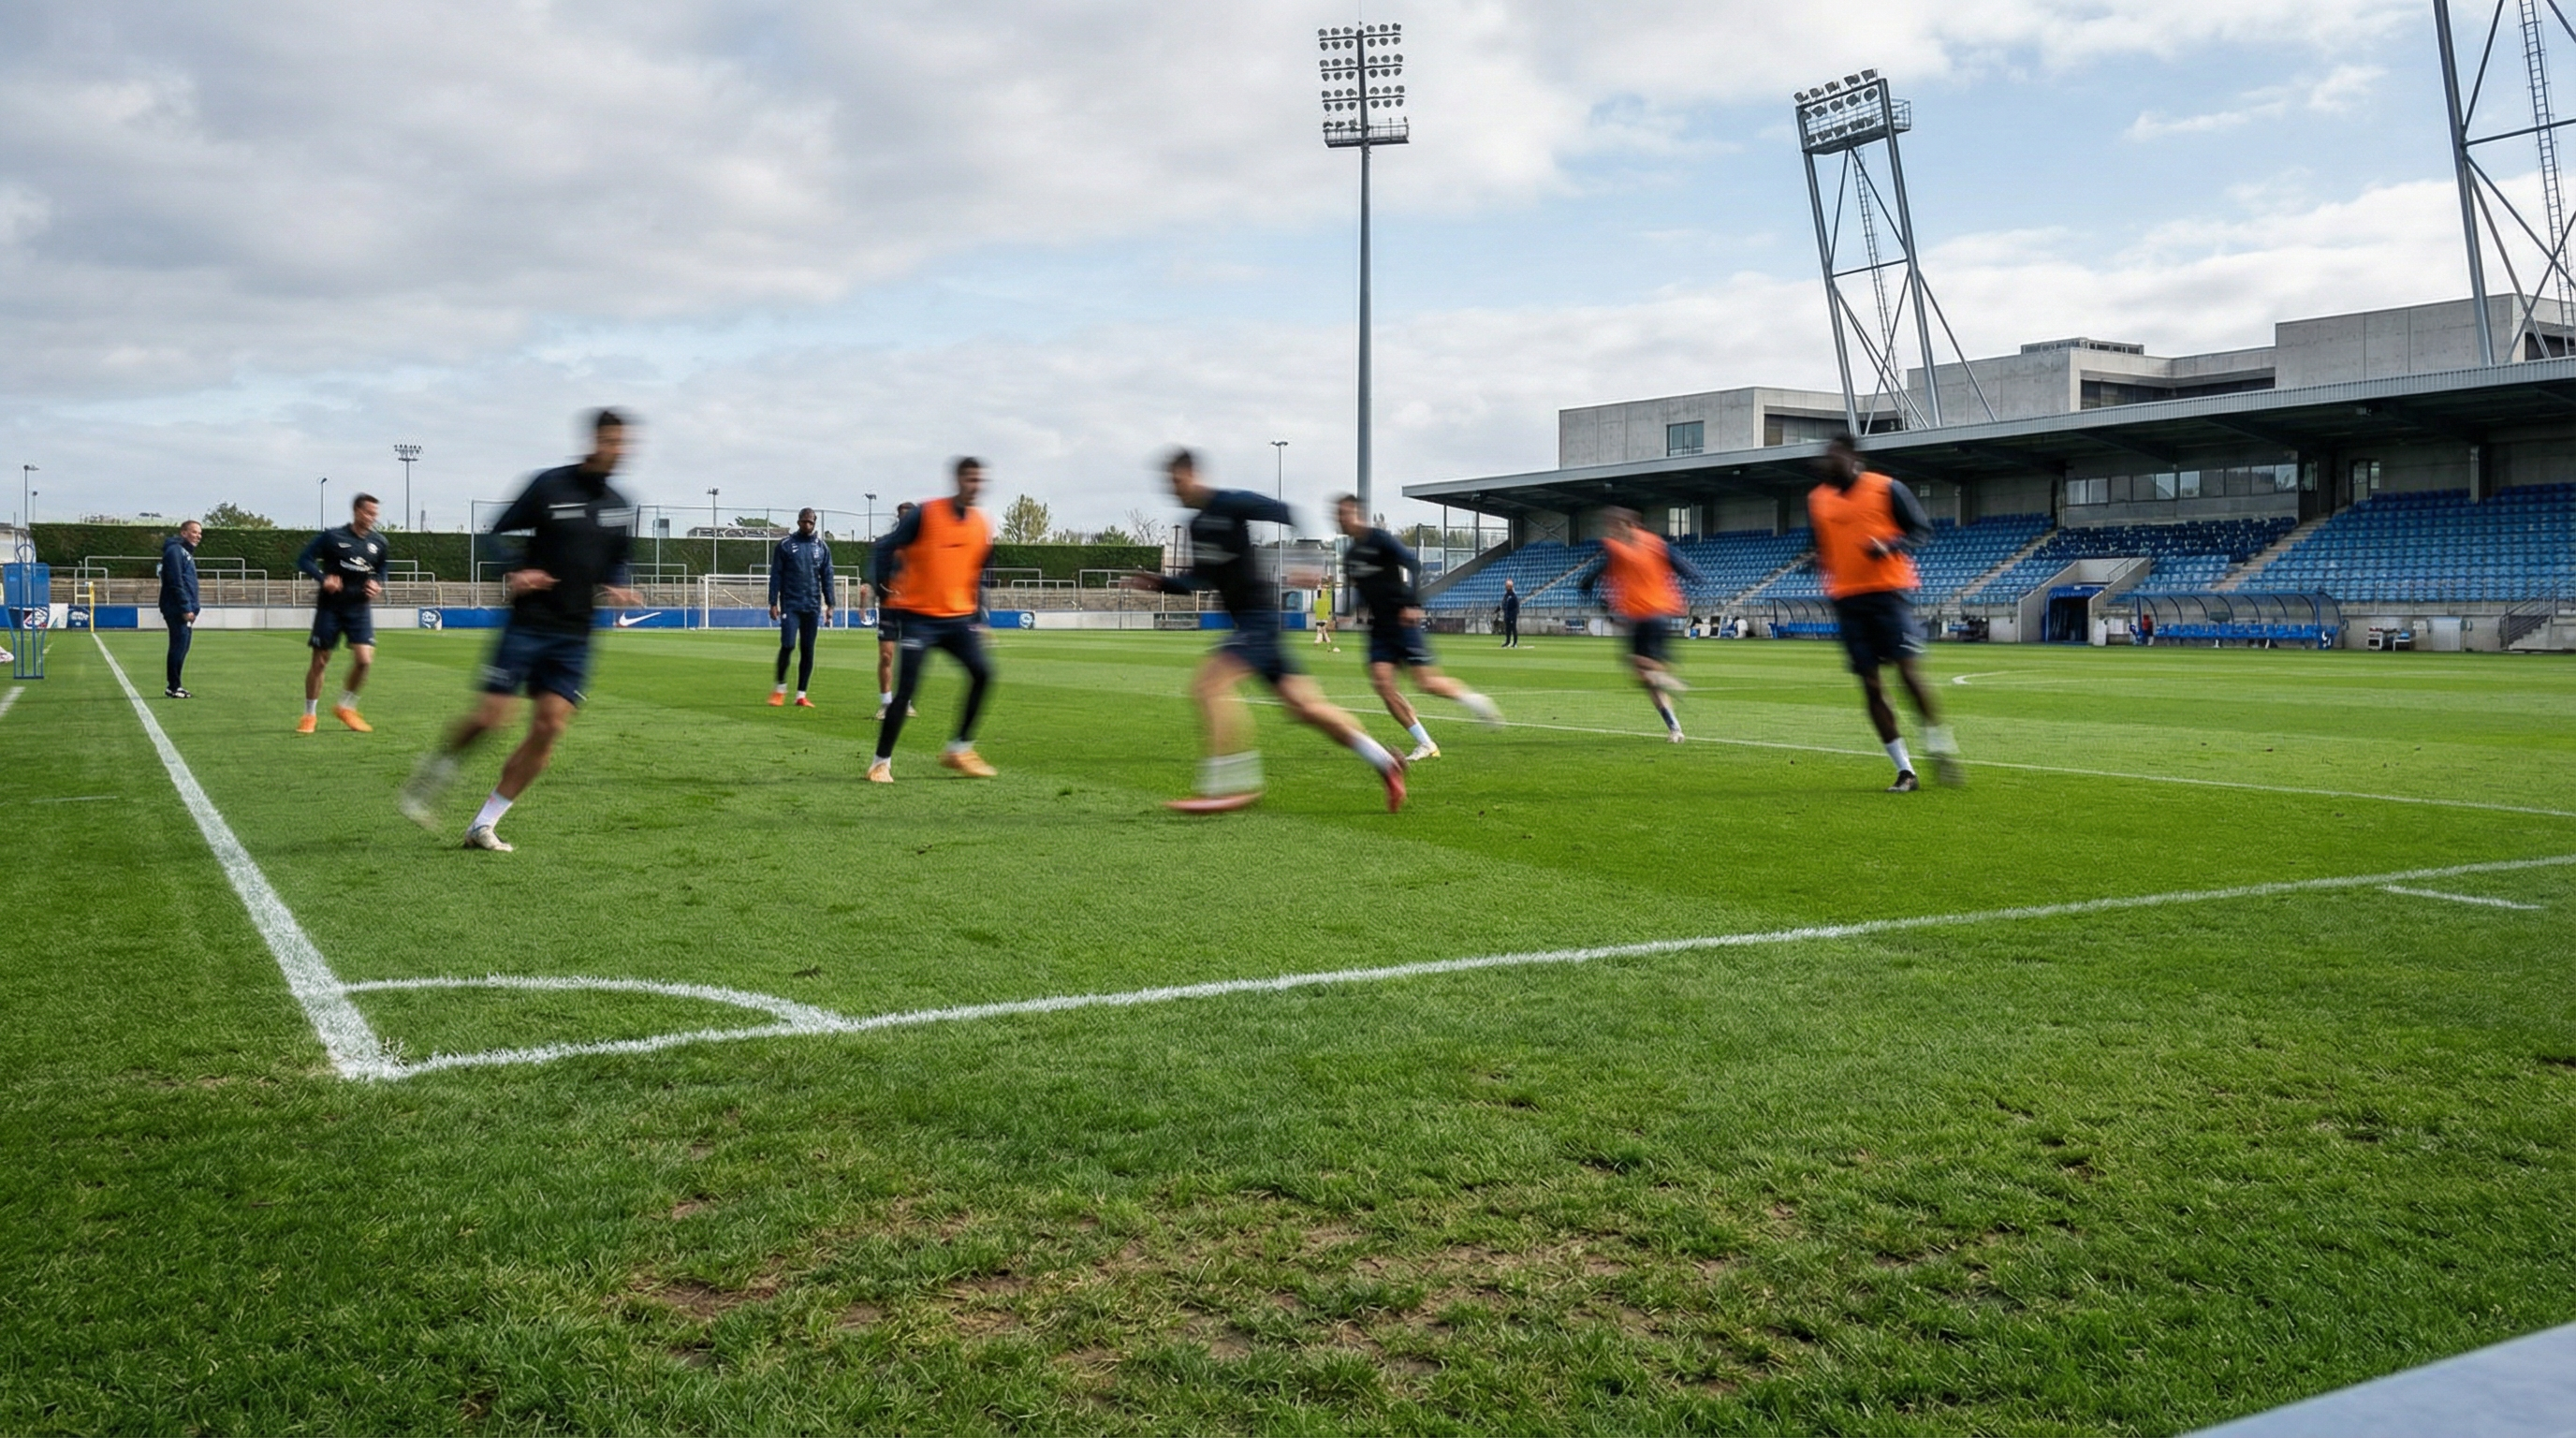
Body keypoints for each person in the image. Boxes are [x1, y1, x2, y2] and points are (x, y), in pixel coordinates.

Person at [398, 408, 645, 851]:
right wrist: (517, 569)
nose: (618, 451)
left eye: (624, 444)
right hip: (530, 624)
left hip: (576, 633)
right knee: (493, 718)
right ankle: (432, 775)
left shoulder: (620, 506)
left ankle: (483, 824)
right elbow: (494, 532)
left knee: (550, 728)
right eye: (611, 442)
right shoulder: (549, 485)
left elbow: (620, 558)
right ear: (594, 441)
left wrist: (619, 583)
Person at [1120, 448, 1406, 813]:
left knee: (1208, 687)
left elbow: (1286, 512)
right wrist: (1160, 582)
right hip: (1254, 624)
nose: (1171, 488)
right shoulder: (1196, 526)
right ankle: (1386, 763)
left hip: (1259, 619)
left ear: (1191, 475)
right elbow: (1200, 578)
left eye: (1175, 480)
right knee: (1308, 708)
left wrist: (1307, 562)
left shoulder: (1231, 503)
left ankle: (1228, 785)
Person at [1809, 433, 1961, 791]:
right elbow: (1820, 543)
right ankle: (1905, 770)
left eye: (1833, 458)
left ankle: (1939, 745)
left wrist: (1890, 544)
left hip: (1888, 594)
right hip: (1847, 601)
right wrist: (1819, 559)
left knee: (1908, 674)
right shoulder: (1817, 499)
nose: (1826, 465)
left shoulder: (1886, 488)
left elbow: (1921, 530)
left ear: (1852, 457)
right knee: (1871, 685)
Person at [1335, 494, 1501, 761]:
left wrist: (1412, 603)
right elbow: (1360, 589)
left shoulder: (1380, 539)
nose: (1340, 519)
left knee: (1427, 683)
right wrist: (1345, 613)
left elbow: (1412, 563)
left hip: (1402, 621)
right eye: (1338, 514)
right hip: (1380, 628)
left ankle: (1476, 701)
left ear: (1359, 515)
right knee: (1383, 685)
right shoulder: (1351, 554)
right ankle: (1426, 743)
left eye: (1345, 513)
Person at [868, 461, 998, 783]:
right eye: (970, 479)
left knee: (984, 673)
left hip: (957, 619)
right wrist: (884, 585)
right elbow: (885, 546)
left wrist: (979, 617)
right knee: (908, 691)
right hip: (919, 617)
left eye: (980, 480)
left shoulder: (981, 525)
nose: (976, 485)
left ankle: (959, 749)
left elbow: (978, 573)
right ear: (958, 480)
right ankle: (879, 763)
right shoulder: (925, 514)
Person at [1572, 508, 1705, 743]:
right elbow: (1684, 567)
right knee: (1647, 679)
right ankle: (1675, 728)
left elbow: (1588, 579)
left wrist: (1594, 595)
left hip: (1640, 615)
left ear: (1624, 525)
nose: (1610, 530)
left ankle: (1665, 678)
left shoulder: (1616, 549)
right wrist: (1693, 579)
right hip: (1662, 614)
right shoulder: (1656, 543)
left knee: (1637, 665)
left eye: (1613, 525)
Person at [295, 492, 389, 733]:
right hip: (331, 606)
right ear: (357, 511)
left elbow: (382, 569)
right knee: (320, 661)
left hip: (359, 607)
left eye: (375, 514)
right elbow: (304, 559)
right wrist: (323, 578)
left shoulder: (379, 543)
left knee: (364, 660)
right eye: (368, 513)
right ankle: (309, 715)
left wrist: (377, 583)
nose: (372, 518)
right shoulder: (332, 536)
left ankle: (346, 707)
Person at [767, 507, 834, 708]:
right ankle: (780, 689)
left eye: (811, 522)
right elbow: (776, 575)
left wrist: (830, 603)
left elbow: (827, 576)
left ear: (815, 524)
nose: (807, 525)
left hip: (812, 605)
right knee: (788, 645)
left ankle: (801, 695)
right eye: (804, 522)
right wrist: (773, 602)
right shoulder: (786, 546)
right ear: (798, 522)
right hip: (791, 603)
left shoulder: (822, 548)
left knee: (807, 649)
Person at [871, 502, 918, 721]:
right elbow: (874, 576)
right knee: (886, 655)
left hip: (912, 608)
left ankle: (906, 702)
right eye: (902, 518)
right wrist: (883, 590)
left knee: (909, 657)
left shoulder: (922, 547)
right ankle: (885, 703)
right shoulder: (886, 545)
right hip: (890, 607)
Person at [157, 521, 201, 697]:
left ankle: (176, 685)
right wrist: (185, 607)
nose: (198, 536)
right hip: (177, 608)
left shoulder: (185, 553)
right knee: (178, 646)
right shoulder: (175, 551)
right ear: (184, 533)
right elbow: (175, 582)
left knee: (183, 646)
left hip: (185, 607)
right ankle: (173, 686)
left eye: (200, 533)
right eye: (194, 532)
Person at [1312, 577, 1337, 647]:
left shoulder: (1322, 591)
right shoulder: (1327, 590)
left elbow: (1320, 591)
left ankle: (1320, 639)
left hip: (1321, 611)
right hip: (1323, 611)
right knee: (1323, 628)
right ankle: (1326, 640)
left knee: (1320, 628)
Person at [1500, 579, 1521, 648]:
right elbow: (1504, 604)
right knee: (1507, 629)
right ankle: (1507, 641)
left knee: (1513, 628)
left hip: (1512, 614)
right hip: (1507, 614)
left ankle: (1515, 643)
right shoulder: (1506, 595)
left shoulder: (1513, 596)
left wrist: (1514, 614)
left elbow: (1516, 606)